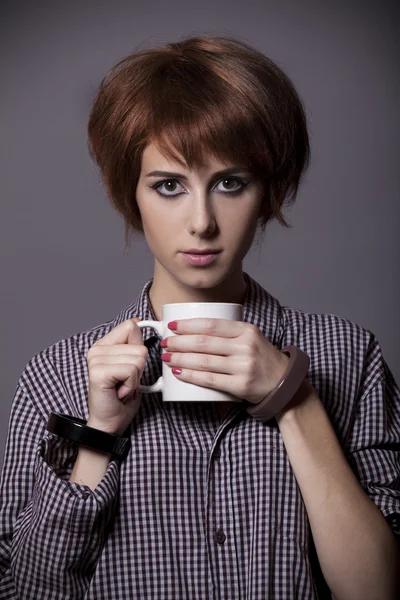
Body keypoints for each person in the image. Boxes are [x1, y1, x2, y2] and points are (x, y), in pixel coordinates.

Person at [0, 34, 399, 600]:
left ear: (267, 192)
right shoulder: (57, 375)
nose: (202, 222)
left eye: (230, 183)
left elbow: (378, 588)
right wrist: (98, 437)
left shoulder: (347, 356)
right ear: (130, 195)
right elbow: (25, 592)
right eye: (169, 186)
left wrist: (294, 398)